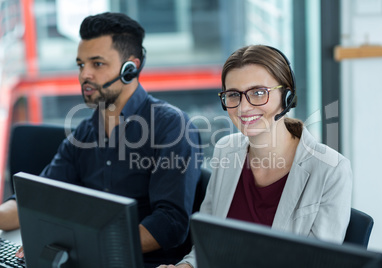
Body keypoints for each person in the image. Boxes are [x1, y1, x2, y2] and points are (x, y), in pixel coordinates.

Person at [0, 12, 202, 267]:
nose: (85, 75)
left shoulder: (171, 126)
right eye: (81, 65)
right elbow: (36, 201)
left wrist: (89, 249)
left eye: (97, 64)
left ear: (131, 68)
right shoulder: (85, 133)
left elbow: (170, 223)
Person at [157, 45, 353, 268]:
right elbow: (207, 244)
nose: (243, 108)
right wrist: (187, 266)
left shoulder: (330, 169)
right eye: (233, 95)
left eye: (258, 93)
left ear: (287, 96)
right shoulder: (225, 150)